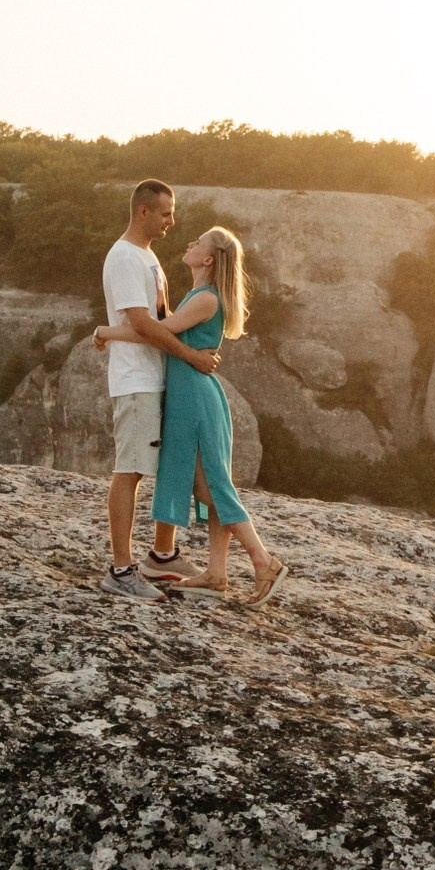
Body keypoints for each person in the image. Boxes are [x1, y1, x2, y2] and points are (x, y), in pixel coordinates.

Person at [93, 225, 288, 606]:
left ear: (209, 259)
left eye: (198, 243)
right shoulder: (199, 295)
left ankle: (263, 561)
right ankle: (216, 572)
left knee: (212, 488)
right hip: (191, 398)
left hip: (197, 401)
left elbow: (156, 331)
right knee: (210, 486)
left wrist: (107, 331)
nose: (190, 244)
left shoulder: (207, 299)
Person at [97, 181, 220, 602]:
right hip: (136, 380)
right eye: (166, 213)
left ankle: (162, 557)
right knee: (130, 470)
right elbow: (144, 324)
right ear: (144, 212)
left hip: (159, 376)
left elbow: (162, 317)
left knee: (171, 463)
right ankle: (120, 571)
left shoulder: (147, 257)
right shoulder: (124, 257)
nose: (172, 221)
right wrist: (192, 356)